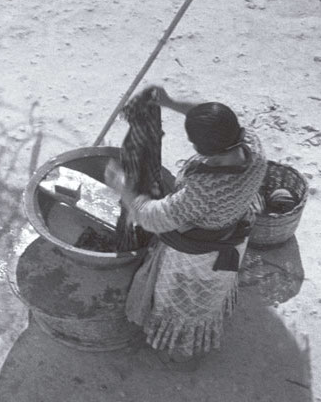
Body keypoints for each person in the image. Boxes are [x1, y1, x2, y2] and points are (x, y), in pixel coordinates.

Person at [105, 87, 267, 367]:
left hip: (200, 257)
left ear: (203, 151)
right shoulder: (252, 144)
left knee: (184, 301)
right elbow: (210, 113)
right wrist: (168, 102)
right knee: (212, 293)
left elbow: (150, 217)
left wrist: (122, 186)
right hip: (234, 234)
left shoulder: (205, 190)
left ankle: (180, 349)